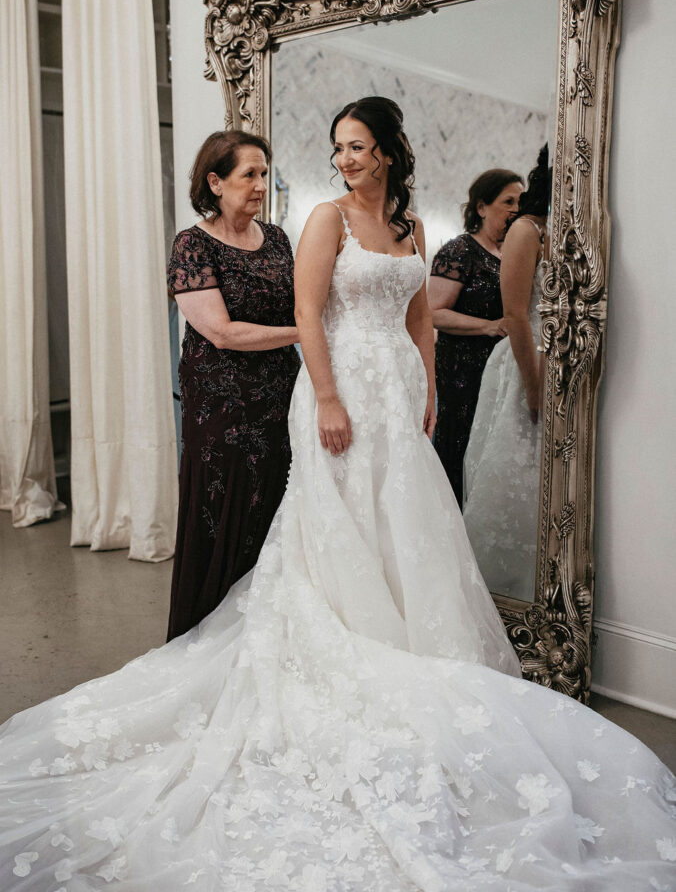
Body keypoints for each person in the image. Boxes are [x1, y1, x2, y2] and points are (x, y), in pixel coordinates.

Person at [0, 103, 674, 892]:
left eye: (356, 148)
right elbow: (307, 312)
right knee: (340, 519)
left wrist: (425, 388)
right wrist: (324, 396)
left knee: (409, 520)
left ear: (389, 154)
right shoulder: (325, 219)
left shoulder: (413, 227)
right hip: (342, 384)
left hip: (395, 387)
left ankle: (411, 631)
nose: (345, 159)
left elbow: (421, 315)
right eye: (339, 149)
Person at [165, 130, 300, 639]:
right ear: (215, 182)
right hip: (222, 407)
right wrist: (306, 333)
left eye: (264, 173)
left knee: (273, 512)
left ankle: (263, 639)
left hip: (281, 399)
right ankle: (209, 636)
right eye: (250, 174)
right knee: (225, 513)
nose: (261, 184)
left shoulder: (280, 240)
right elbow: (222, 332)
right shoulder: (192, 244)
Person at [463, 147, 550, 601]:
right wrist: (534, 387)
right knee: (509, 479)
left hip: (563, 364)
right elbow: (516, 315)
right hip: (523, 364)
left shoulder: (576, 232)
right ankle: (499, 593)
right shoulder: (526, 230)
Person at [428, 169, 523, 504]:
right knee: (461, 445)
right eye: (507, 201)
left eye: (520, 202)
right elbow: (433, 313)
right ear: (482, 207)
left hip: (500, 370)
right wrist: (490, 326)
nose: (515, 209)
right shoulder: (460, 251)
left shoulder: (511, 256)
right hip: (461, 371)